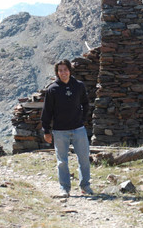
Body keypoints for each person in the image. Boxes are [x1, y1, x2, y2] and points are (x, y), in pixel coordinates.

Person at [41, 59, 93, 197]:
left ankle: (85, 186)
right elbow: (47, 111)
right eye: (60, 70)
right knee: (62, 161)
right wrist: (46, 130)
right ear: (57, 73)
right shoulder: (52, 89)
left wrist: (83, 119)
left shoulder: (79, 86)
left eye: (65, 69)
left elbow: (86, 104)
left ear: (70, 70)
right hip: (60, 131)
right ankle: (64, 188)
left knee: (84, 159)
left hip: (78, 129)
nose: (63, 73)